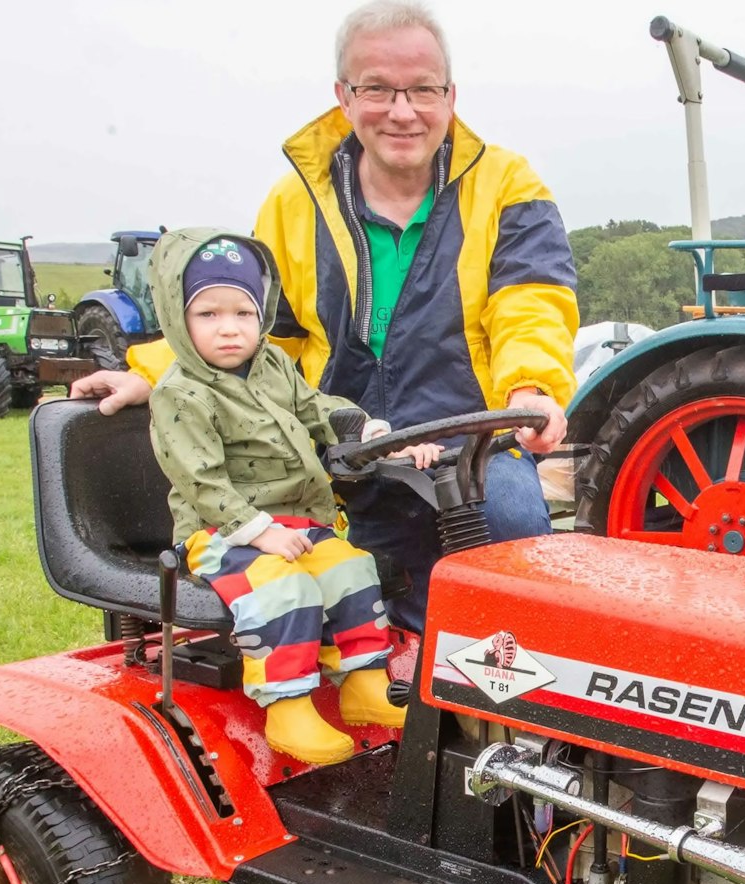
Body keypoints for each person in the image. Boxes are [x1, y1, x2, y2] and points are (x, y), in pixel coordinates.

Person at [73, 0, 578, 632]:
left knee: (513, 559)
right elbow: (257, 330)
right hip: (350, 448)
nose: (403, 110)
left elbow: (530, 299)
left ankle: (512, 712)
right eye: (378, 89)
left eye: (422, 89)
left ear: (451, 94)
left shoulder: (508, 183)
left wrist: (530, 390)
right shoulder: (293, 204)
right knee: (357, 608)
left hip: (472, 443)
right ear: (344, 95)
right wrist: (152, 373)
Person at [147, 228, 437, 765]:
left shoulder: (274, 365)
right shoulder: (179, 394)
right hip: (220, 533)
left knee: (352, 568)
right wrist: (260, 532)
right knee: (286, 587)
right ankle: (288, 707)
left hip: (296, 522)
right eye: (208, 315)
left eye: (243, 314)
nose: (229, 330)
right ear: (177, 319)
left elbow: (317, 408)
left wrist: (367, 430)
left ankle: (364, 685)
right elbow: (201, 482)